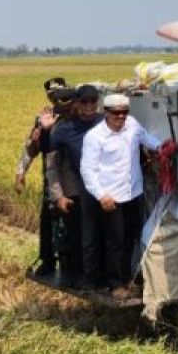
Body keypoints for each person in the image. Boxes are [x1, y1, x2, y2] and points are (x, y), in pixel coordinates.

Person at [80, 93, 162, 300]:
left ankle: (127, 280)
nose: (121, 117)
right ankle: (115, 284)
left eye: (125, 112)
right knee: (114, 242)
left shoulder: (132, 125)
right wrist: (101, 195)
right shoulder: (95, 137)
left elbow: (146, 138)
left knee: (130, 238)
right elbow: (87, 170)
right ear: (106, 113)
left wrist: (163, 147)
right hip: (111, 198)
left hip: (133, 193)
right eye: (116, 113)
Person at [46, 85, 103, 288]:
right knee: (77, 237)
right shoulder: (62, 129)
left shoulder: (106, 123)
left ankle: (98, 277)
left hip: (105, 191)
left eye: (92, 101)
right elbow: (52, 166)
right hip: (75, 192)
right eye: (84, 102)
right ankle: (76, 277)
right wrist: (57, 196)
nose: (89, 106)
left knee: (102, 236)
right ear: (77, 103)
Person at [15, 77, 73, 278]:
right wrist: (20, 172)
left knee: (70, 225)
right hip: (52, 179)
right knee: (49, 221)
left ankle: (69, 266)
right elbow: (31, 147)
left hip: (73, 179)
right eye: (53, 95)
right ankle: (47, 261)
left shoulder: (77, 114)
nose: (57, 99)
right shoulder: (43, 119)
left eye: (61, 94)